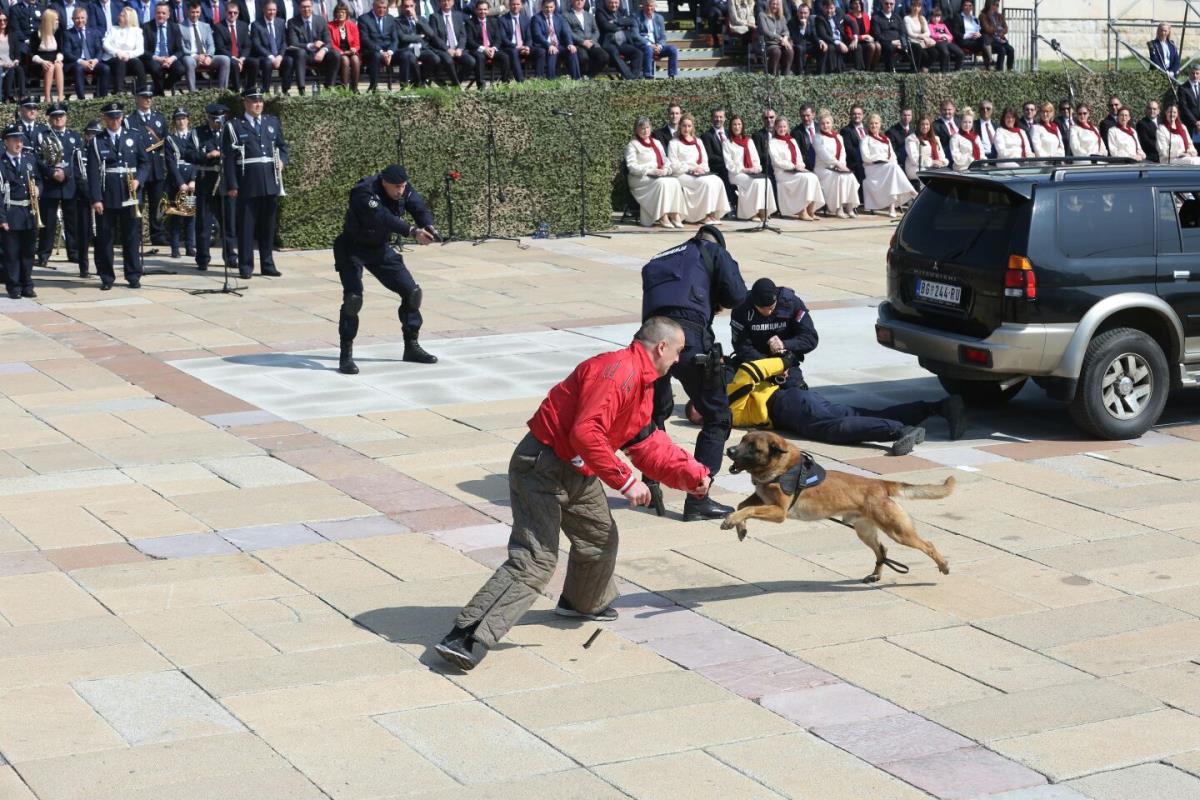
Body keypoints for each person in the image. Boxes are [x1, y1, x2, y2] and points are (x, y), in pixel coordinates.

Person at [435, 316, 713, 671]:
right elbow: (586, 432)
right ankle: (465, 636)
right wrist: (626, 482)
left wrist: (692, 475)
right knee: (536, 558)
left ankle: (582, 603)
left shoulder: (642, 383)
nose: (678, 359)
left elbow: (645, 441)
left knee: (599, 535)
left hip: (577, 470)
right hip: (542, 465)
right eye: (678, 351)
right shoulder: (617, 373)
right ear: (661, 347)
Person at [644, 226, 746, 521]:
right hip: (687, 339)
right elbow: (736, 295)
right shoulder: (712, 250)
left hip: (649, 340)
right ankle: (698, 497)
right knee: (717, 416)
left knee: (653, 414)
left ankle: (650, 484)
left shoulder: (659, 258)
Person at [694, 353, 964, 456]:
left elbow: (750, 369)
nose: (698, 417)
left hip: (787, 405)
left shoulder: (726, 398)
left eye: (696, 411)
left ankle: (898, 431)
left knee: (833, 429)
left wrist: (786, 361)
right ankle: (937, 407)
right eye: (696, 417)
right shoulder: (724, 413)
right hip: (795, 402)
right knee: (859, 414)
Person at [335, 164, 438, 374]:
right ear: (384, 183)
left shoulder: (403, 188)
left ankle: (411, 346)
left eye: (403, 186)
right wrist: (412, 231)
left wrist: (428, 226)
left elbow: (418, 205)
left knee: (412, 293)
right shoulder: (365, 192)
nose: (401, 191)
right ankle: (345, 355)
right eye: (396, 187)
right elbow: (382, 218)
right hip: (352, 248)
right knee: (353, 300)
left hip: (379, 248)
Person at [222, 88, 287, 279]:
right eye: (253, 101)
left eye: (260, 101)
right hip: (247, 183)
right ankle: (246, 266)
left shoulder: (271, 122)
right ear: (245, 103)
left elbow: (282, 147)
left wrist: (283, 159)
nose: (258, 104)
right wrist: (232, 185)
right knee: (246, 228)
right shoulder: (234, 126)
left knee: (268, 227)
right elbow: (228, 159)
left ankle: (267, 264)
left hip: (270, 182)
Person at [87, 101, 148, 290]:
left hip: (130, 194)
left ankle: (133, 275)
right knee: (105, 239)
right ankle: (106, 277)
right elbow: (93, 172)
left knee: (131, 237)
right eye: (111, 117)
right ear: (104, 119)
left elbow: (145, 163)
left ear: (122, 117)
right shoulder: (97, 141)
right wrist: (96, 198)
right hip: (108, 195)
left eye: (118, 117)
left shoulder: (135, 137)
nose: (115, 121)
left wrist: (139, 180)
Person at [33, 103, 83, 273]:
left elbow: (79, 160)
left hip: (69, 184)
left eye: (61, 116)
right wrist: (51, 172)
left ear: (66, 117)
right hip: (50, 184)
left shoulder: (74, 136)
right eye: (54, 116)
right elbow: (38, 159)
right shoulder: (43, 136)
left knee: (72, 221)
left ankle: (74, 252)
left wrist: (66, 173)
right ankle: (44, 254)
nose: (58, 119)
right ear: (50, 119)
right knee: (48, 222)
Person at [730, 277, 816, 367]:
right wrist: (770, 366)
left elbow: (810, 338)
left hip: (785, 361)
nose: (768, 312)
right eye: (762, 308)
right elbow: (742, 346)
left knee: (795, 381)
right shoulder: (742, 307)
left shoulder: (791, 302)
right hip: (754, 361)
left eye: (771, 307)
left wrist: (784, 344)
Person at [192, 102, 235, 272]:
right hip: (206, 180)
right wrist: (207, 155)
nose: (217, 122)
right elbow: (190, 154)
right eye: (214, 119)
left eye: (220, 119)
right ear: (208, 118)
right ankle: (202, 258)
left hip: (225, 180)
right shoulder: (198, 133)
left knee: (229, 221)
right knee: (204, 222)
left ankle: (230, 255)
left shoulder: (229, 131)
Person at [668, 113, 730, 225]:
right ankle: (703, 216)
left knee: (718, 181)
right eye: (684, 126)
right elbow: (673, 165)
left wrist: (701, 169)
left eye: (689, 126)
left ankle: (713, 214)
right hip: (682, 174)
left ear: (692, 127)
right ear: (680, 126)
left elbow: (705, 161)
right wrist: (691, 169)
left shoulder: (698, 141)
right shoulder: (674, 143)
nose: (686, 129)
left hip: (699, 172)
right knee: (705, 183)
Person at [127, 86, 169, 247]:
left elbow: (165, 140)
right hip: (139, 169)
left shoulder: (159, 118)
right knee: (138, 203)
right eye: (144, 97)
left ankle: (157, 234)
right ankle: (136, 235)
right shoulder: (130, 120)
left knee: (156, 203)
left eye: (150, 97)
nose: (148, 100)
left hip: (157, 167)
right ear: (137, 98)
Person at [626, 116, 683, 228]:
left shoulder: (656, 142)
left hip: (658, 174)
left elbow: (665, 160)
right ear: (636, 129)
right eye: (642, 128)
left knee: (675, 182)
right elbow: (631, 166)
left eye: (647, 128)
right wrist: (650, 170)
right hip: (639, 177)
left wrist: (666, 169)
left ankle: (674, 214)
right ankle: (663, 215)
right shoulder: (632, 145)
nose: (645, 131)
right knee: (662, 183)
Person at [724, 113, 776, 221]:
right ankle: (751, 213)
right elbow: (729, 164)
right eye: (734, 124)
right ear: (730, 126)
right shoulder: (727, 143)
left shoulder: (749, 141)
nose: (737, 127)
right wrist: (745, 169)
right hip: (736, 174)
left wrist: (757, 168)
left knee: (766, 181)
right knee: (755, 183)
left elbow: (756, 159)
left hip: (751, 172)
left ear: (742, 126)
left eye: (739, 124)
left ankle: (763, 210)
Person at [862, 112, 913, 218]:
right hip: (872, 168)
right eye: (871, 123)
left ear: (880, 125)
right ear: (868, 125)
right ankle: (910, 190)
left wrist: (889, 161)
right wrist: (881, 159)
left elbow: (893, 156)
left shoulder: (886, 139)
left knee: (893, 167)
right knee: (893, 168)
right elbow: (865, 157)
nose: (874, 126)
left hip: (887, 167)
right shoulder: (866, 140)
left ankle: (892, 207)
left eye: (876, 123)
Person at [770, 115, 822, 220]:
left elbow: (799, 157)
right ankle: (802, 211)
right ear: (775, 127)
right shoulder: (772, 142)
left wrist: (800, 165)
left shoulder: (792, 140)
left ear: (787, 127)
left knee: (813, 176)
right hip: (782, 173)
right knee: (805, 178)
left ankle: (810, 209)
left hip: (795, 170)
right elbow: (777, 161)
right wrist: (794, 166)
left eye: (784, 126)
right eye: (780, 126)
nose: (782, 129)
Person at [163, 107, 197, 259]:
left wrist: (194, 179)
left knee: (190, 215)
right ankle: (175, 248)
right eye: (178, 119)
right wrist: (180, 183)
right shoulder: (170, 139)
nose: (181, 121)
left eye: (183, 118)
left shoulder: (194, 137)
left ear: (188, 120)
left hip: (191, 183)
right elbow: (170, 163)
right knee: (175, 217)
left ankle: (190, 247)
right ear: (174, 121)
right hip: (176, 183)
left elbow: (198, 159)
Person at [814, 109, 859, 219]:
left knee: (850, 177)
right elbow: (823, 154)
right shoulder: (817, 138)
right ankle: (838, 208)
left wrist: (842, 165)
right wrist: (837, 164)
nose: (825, 126)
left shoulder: (838, 137)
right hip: (823, 169)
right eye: (823, 123)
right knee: (838, 178)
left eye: (828, 123)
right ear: (820, 125)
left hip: (838, 167)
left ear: (832, 124)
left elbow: (843, 152)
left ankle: (849, 207)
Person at [286, 0, 338, 90]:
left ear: (312, 7)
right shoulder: (292, 22)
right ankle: (301, 89)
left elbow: (328, 41)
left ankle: (329, 87)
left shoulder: (321, 20)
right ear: (299, 8)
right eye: (303, 7)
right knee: (300, 53)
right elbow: (293, 43)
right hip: (304, 55)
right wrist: (311, 45)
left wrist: (323, 51)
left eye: (308, 7)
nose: (306, 9)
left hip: (320, 55)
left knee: (336, 55)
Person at [181, 0, 231, 90]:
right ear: (188, 12)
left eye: (197, 12)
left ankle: (222, 91)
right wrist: (195, 56)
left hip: (206, 56)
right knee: (188, 61)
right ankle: (192, 93)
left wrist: (208, 56)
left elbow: (211, 45)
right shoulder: (180, 27)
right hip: (191, 56)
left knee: (225, 59)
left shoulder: (206, 26)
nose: (195, 15)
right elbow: (181, 47)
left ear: (200, 12)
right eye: (192, 12)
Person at [64, 8, 109, 99]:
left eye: (82, 18)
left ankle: (102, 98)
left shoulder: (94, 32)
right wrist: (81, 62)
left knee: (105, 68)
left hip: (92, 61)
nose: (80, 20)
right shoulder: (68, 34)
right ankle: (82, 99)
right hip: (76, 63)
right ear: (72, 19)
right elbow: (67, 52)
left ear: (86, 18)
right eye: (77, 18)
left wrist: (95, 60)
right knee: (78, 68)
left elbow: (99, 50)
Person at [142, 1, 186, 93]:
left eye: (163, 13)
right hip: (154, 58)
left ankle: (163, 87)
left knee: (180, 69)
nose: (160, 15)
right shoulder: (146, 27)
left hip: (169, 58)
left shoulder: (174, 27)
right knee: (156, 69)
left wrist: (170, 59)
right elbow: (143, 50)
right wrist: (158, 58)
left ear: (168, 15)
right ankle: (160, 94)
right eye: (158, 13)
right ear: (155, 13)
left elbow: (180, 49)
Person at [429, 0, 476, 85]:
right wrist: (447, 49)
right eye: (443, 1)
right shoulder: (434, 17)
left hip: (458, 49)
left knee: (471, 61)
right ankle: (456, 85)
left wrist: (460, 48)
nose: (446, 3)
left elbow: (463, 35)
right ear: (439, 3)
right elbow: (434, 37)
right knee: (448, 61)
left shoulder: (458, 15)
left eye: (449, 0)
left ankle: (455, 84)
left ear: (453, 2)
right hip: (443, 49)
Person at [213, 3, 257, 91]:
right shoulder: (219, 27)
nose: (232, 15)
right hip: (229, 57)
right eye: (230, 12)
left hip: (241, 57)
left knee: (254, 62)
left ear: (238, 13)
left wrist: (242, 58)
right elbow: (220, 47)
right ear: (225, 13)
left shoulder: (243, 25)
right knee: (233, 63)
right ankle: (237, 90)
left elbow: (247, 45)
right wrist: (234, 58)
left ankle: (249, 90)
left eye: (235, 13)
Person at [251, 0, 293, 93]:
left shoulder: (281, 22)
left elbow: (284, 42)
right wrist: (271, 57)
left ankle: (285, 90)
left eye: (274, 10)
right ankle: (266, 90)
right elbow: (257, 45)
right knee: (267, 63)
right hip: (264, 56)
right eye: (269, 10)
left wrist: (280, 56)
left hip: (278, 55)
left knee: (289, 60)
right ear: (264, 10)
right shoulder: (256, 25)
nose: (272, 12)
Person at [531, 0, 579, 79]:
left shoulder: (559, 17)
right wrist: (549, 45)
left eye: (551, 7)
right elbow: (538, 35)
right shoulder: (536, 18)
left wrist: (570, 44)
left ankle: (577, 78)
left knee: (572, 51)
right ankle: (551, 80)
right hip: (544, 45)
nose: (549, 9)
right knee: (552, 52)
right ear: (542, 6)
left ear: (555, 7)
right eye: (546, 7)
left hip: (558, 44)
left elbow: (566, 32)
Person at [594, 0, 640, 80]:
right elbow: (606, 26)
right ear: (606, 2)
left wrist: (615, 21)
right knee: (614, 53)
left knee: (638, 53)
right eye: (611, 2)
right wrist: (622, 24)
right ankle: (631, 78)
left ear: (619, 3)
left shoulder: (622, 11)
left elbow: (631, 21)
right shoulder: (600, 12)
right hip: (609, 43)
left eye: (616, 2)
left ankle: (634, 76)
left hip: (622, 43)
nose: (614, 5)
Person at [358, 0, 398, 90]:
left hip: (388, 51)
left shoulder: (391, 19)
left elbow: (395, 40)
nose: (382, 10)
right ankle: (373, 87)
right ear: (373, 6)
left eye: (384, 8)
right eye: (379, 7)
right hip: (371, 51)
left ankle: (406, 86)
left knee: (406, 55)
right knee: (376, 55)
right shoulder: (364, 18)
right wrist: (381, 52)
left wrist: (390, 52)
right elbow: (365, 39)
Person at [701, 107, 735, 210]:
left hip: (734, 165)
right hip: (717, 167)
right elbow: (710, 156)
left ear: (724, 118)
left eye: (721, 117)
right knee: (726, 170)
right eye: (716, 117)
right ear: (711, 119)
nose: (718, 119)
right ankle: (729, 205)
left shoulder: (731, 134)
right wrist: (727, 161)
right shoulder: (706, 136)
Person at [562, 0, 606, 78]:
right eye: (577, 0)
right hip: (578, 44)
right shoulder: (566, 15)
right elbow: (568, 32)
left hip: (592, 43)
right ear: (572, 1)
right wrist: (582, 42)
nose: (580, 2)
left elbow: (596, 30)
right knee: (583, 58)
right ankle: (580, 76)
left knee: (604, 56)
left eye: (582, 0)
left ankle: (589, 76)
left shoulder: (589, 15)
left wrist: (592, 40)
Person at [32, 9, 66, 102]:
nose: (57, 21)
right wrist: (42, 62)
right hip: (40, 62)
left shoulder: (58, 33)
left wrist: (59, 59)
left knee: (58, 66)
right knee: (50, 67)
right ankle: (47, 98)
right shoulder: (36, 34)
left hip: (54, 58)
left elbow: (60, 50)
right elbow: (32, 53)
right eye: (55, 19)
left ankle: (60, 96)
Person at [635, 0, 675, 79]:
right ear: (642, 6)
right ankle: (648, 75)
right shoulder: (636, 17)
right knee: (648, 49)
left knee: (673, 49)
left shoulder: (659, 18)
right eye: (647, 6)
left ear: (654, 6)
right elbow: (636, 35)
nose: (649, 8)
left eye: (651, 6)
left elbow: (663, 36)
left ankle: (672, 75)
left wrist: (659, 45)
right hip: (644, 45)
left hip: (657, 45)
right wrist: (650, 45)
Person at [327, 3, 360, 88]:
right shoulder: (329, 26)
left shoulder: (352, 25)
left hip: (351, 52)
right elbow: (330, 43)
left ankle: (354, 88)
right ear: (335, 14)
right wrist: (342, 52)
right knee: (345, 60)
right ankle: (344, 88)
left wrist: (354, 49)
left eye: (343, 12)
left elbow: (357, 43)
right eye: (338, 12)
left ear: (347, 14)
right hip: (338, 53)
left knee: (355, 60)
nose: (341, 14)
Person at [906, 115, 948, 181]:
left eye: (927, 124)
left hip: (935, 166)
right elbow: (914, 158)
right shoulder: (911, 139)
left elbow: (941, 154)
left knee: (949, 175)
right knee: (931, 175)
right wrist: (932, 162)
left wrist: (941, 162)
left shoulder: (936, 139)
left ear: (930, 126)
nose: (925, 127)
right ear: (918, 126)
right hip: (916, 167)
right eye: (922, 124)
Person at [498, 0, 531, 82]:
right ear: (509, 5)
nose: (515, 6)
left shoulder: (526, 19)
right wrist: (517, 47)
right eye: (513, 4)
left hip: (523, 46)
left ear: (521, 6)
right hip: (509, 47)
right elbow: (503, 38)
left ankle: (540, 80)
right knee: (513, 51)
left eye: (517, 4)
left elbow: (529, 37)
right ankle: (520, 81)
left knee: (541, 52)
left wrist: (527, 47)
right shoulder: (502, 19)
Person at [757, 0, 791, 76]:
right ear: (769, 4)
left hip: (780, 43)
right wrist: (780, 38)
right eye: (773, 4)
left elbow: (786, 30)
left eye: (777, 4)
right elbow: (766, 32)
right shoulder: (762, 15)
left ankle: (785, 76)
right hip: (768, 44)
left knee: (789, 50)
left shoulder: (781, 17)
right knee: (776, 51)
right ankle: (772, 75)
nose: (775, 6)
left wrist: (785, 38)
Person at [842, 0, 878, 71]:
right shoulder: (848, 17)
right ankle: (865, 70)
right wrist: (863, 37)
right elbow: (850, 36)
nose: (858, 5)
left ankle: (871, 69)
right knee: (872, 46)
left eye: (859, 3)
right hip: (853, 42)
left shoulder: (865, 16)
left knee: (877, 46)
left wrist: (871, 37)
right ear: (851, 5)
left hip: (865, 41)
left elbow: (869, 32)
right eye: (855, 3)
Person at [813, 0, 846, 74]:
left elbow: (851, 22)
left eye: (831, 8)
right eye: (827, 8)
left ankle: (839, 69)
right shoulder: (819, 18)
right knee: (831, 47)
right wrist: (838, 43)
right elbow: (823, 35)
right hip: (828, 41)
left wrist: (855, 37)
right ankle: (832, 70)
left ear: (835, 8)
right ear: (823, 7)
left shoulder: (836, 15)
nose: (829, 11)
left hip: (839, 39)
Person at [871, 0, 904, 72]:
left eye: (891, 4)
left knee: (915, 47)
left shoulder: (897, 17)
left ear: (894, 4)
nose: (889, 5)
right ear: (882, 3)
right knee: (889, 48)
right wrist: (891, 42)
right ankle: (890, 71)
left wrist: (902, 42)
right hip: (885, 44)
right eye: (886, 3)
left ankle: (914, 72)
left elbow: (902, 32)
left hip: (899, 43)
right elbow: (877, 35)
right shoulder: (876, 17)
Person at [951, 0, 985, 67]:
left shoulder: (974, 18)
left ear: (972, 7)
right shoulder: (958, 17)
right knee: (985, 44)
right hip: (964, 40)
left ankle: (988, 64)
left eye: (970, 6)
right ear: (962, 7)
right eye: (965, 5)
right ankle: (988, 63)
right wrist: (968, 35)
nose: (967, 7)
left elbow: (979, 30)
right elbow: (955, 32)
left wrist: (979, 34)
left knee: (986, 40)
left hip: (975, 40)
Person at [0, 12, 25, 104]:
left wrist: (16, 61)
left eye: (5, 20)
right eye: (0, 20)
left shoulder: (12, 35)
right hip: (1, 64)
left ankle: (22, 96)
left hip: (11, 63)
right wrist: (3, 63)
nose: (2, 22)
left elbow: (17, 54)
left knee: (20, 70)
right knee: (10, 72)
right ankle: (7, 97)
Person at [979, 0, 1011, 70]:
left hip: (1000, 38)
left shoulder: (999, 16)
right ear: (989, 5)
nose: (996, 7)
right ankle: (999, 71)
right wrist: (998, 30)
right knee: (1002, 50)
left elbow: (1006, 28)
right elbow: (987, 29)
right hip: (990, 39)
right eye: (994, 5)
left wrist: (1002, 32)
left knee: (1011, 50)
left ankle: (1010, 70)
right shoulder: (983, 16)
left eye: (997, 5)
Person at [927, 7, 961, 72]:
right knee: (945, 53)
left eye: (938, 16)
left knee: (960, 53)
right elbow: (932, 35)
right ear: (931, 17)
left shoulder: (943, 25)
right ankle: (944, 72)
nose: (936, 18)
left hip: (947, 42)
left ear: (940, 17)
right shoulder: (930, 25)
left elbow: (950, 35)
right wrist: (942, 35)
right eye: (934, 16)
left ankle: (957, 71)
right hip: (937, 42)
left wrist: (948, 38)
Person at [949, 107, 981, 171]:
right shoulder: (955, 138)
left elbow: (981, 153)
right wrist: (970, 158)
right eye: (965, 122)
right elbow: (956, 158)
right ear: (960, 122)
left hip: (977, 167)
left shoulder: (976, 137)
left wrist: (983, 161)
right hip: (962, 170)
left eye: (969, 122)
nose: (967, 125)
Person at [902, 0, 931, 71]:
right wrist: (923, 37)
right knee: (920, 50)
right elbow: (910, 33)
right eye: (914, 6)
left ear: (920, 8)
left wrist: (923, 37)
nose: (916, 8)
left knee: (934, 52)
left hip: (922, 41)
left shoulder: (922, 18)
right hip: (912, 42)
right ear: (911, 7)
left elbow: (928, 32)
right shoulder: (907, 18)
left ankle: (924, 69)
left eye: (918, 6)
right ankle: (915, 71)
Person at [788, 1, 815, 74]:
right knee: (800, 48)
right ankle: (800, 72)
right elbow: (796, 40)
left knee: (822, 47)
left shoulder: (812, 20)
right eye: (801, 13)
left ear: (809, 13)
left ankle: (822, 72)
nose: (803, 15)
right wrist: (803, 27)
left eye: (805, 13)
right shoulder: (792, 22)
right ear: (797, 13)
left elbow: (814, 35)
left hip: (809, 44)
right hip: (798, 45)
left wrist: (820, 41)